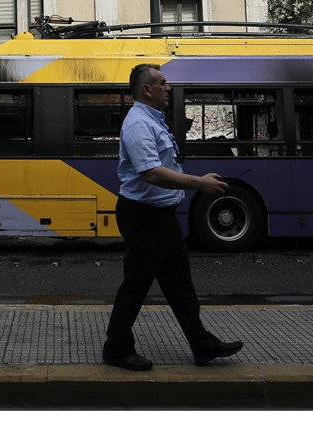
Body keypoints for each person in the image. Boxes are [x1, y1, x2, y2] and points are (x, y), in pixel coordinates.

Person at [103, 63, 244, 371]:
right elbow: (151, 173)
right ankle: (116, 347)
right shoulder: (139, 124)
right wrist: (200, 183)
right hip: (143, 216)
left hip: (161, 216)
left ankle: (202, 345)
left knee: (180, 285)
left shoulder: (153, 120)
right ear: (147, 90)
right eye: (163, 83)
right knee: (137, 284)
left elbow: (166, 165)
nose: (168, 88)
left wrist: (198, 180)